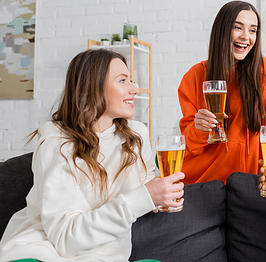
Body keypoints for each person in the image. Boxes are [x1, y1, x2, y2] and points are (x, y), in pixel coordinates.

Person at [0, 49, 184, 262]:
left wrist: (160, 191)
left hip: (105, 255)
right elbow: (67, 238)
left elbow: (145, 180)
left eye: (131, 80)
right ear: (93, 88)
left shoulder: (136, 135)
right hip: (43, 252)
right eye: (123, 80)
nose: (134, 89)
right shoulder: (56, 142)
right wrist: (144, 197)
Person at [178, 0, 266, 185]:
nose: (245, 37)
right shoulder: (194, 76)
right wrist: (199, 128)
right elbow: (189, 146)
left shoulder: (264, 71)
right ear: (222, 31)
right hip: (205, 180)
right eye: (237, 27)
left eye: (252, 30)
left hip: (250, 181)